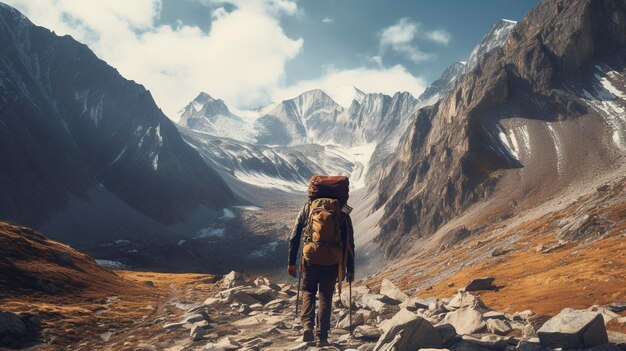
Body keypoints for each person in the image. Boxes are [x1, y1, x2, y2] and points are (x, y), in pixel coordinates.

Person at [288, 190, 355, 347]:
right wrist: (350, 268)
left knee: (308, 292)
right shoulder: (342, 211)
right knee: (325, 296)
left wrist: (292, 261)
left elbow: (295, 234)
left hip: (311, 258)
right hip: (332, 261)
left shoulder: (309, 207)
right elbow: (349, 242)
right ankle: (322, 337)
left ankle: (307, 327)